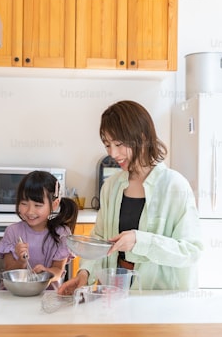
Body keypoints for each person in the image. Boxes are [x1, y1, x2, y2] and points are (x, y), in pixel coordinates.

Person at [58, 100, 203, 295]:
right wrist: (84, 274)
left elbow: (190, 251)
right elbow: (99, 240)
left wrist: (141, 241)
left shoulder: (175, 186)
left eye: (118, 144)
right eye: (107, 145)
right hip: (114, 293)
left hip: (160, 299)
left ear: (142, 137)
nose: (113, 153)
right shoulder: (111, 187)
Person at [0, 170, 78, 287]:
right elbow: (8, 271)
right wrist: (21, 261)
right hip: (16, 296)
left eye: (37, 205)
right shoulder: (12, 232)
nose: (30, 211)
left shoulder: (62, 233)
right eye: (24, 203)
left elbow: (58, 270)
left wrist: (46, 272)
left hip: (48, 297)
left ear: (54, 204)